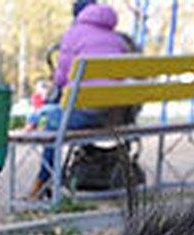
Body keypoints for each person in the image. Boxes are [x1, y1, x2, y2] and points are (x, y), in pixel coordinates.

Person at [27, 0, 135, 198]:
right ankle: (51, 178)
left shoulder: (73, 34)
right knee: (57, 113)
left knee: (51, 122)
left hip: (87, 115)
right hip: (114, 116)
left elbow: (61, 79)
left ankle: (43, 182)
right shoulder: (118, 40)